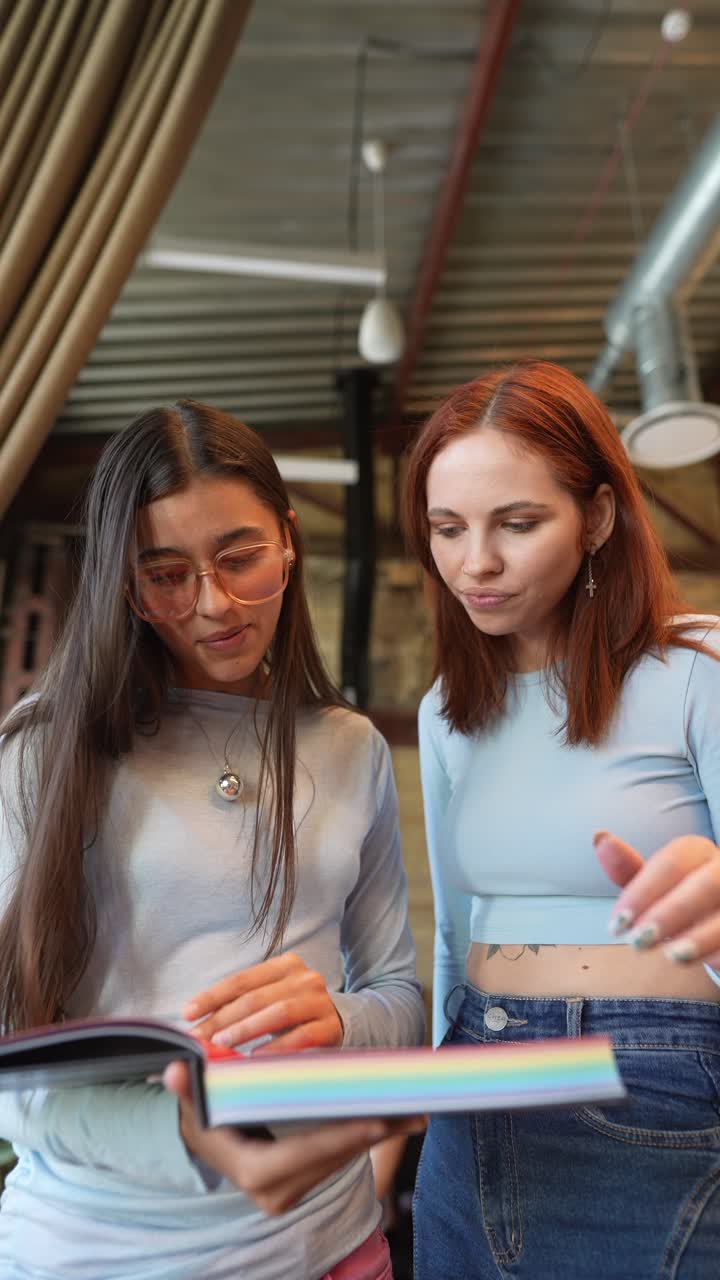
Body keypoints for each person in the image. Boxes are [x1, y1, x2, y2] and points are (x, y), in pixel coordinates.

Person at [0, 400, 425, 1280]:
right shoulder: (43, 750)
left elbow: (401, 999)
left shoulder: (349, 749)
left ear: (290, 538)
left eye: (241, 558)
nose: (215, 604)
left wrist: (340, 1021)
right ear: (123, 582)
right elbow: (14, 1083)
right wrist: (191, 1139)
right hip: (93, 1255)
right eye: (166, 575)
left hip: (330, 1248)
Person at [403, 360, 720, 1280]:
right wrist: (428, 1096)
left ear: (599, 519)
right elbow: (454, 933)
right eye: (447, 529)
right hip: (472, 1084)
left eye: (518, 523)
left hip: (651, 1084)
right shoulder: (447, 709)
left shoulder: (697, 669)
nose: (477, 563)